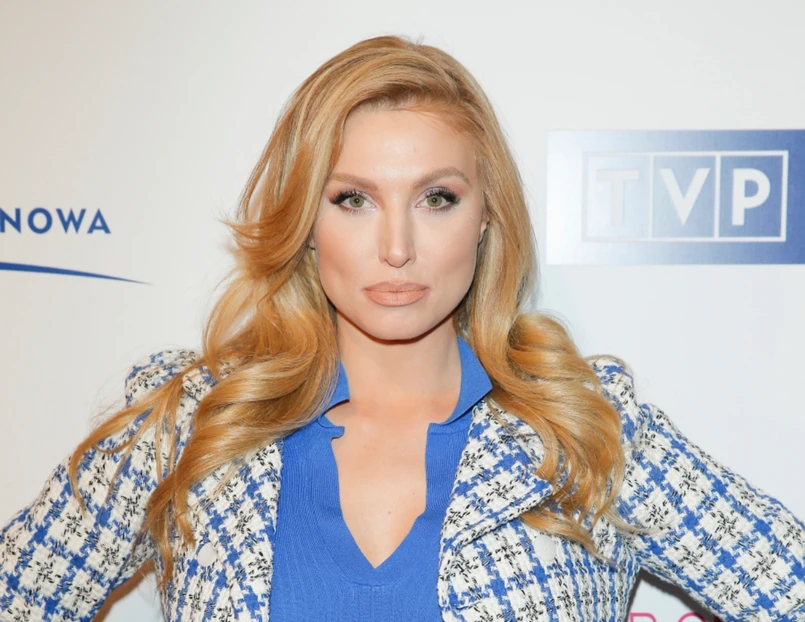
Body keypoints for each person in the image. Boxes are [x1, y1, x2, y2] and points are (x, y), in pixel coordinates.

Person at [0, 34, 803, 622]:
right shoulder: (193, 422)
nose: (395, 247)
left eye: (436, 198)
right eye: (351, 199)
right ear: (304, 222)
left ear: (486, 218)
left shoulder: (583, 431)